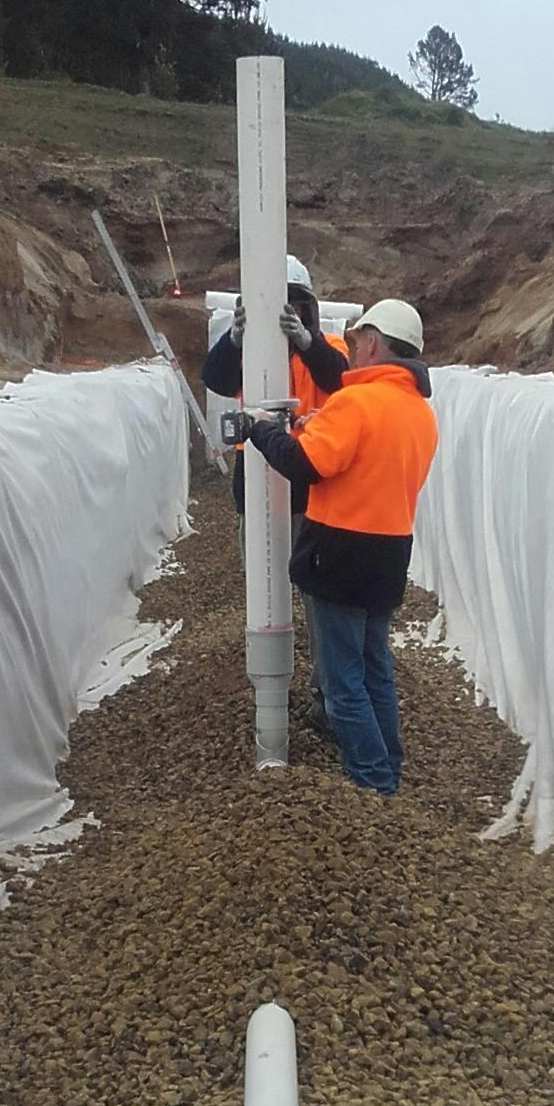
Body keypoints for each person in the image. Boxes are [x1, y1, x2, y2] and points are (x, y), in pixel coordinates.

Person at [242, 297, 438, 798]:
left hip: (340, 557)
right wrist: (316, 430)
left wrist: (260, 431)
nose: (350, 353)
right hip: (388, 556)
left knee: (344, 684)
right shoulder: (419, 412)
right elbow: (363, 461)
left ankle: (372, 784)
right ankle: (388, 767)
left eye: (355, 344)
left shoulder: (356, 402)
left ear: (372, 343)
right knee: (375, 670)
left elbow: (306, 466)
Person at [204, 255, 348, 728]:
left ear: (308, 308)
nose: (283, 315)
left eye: (295, 305)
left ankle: (327, 695)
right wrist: (235, 338)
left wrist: (306, 344)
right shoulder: (249, 351)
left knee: (318, 598)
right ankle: (270, 689)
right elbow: (216, 378)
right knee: (265, 592)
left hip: (310, 486)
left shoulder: (326, 348)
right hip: (260, 480)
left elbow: (339, 379)